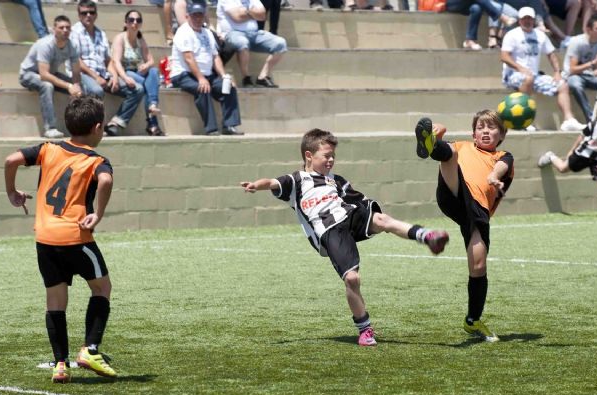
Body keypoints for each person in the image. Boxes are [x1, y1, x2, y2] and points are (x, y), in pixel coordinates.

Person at [240, 128, 450, 346]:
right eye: (326, 156)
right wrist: (256, 185)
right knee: (352, 279)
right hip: (330, 231)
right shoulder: (296, 180)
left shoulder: (336, 180)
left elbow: (357, 199)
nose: (331, 160)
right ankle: (365, 329)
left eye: (333, 156)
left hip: (349, 215)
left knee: (382, 220)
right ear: (309, 156)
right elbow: (271, 182)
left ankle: (428, 236)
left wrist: (368, 210)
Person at [3, 96, 116, 383]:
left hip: (45, 238)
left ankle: (60, 364)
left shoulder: (48, 149)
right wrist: (98, 214)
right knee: (102, 287)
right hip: (76, 236)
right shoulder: (96, 160)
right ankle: (90, 349)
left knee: (55, 300)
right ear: (98, 127)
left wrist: (12, 192)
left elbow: (11, 160)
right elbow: (105, 181)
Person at [414, 111, 514, 342]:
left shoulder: (503, 155)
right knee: (450, 153)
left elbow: (501, 167)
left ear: (501, 135)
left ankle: (473, 320)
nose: (485, 131)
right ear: (473, 134)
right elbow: (451, 153)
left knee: (478, 266)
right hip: (453, 193)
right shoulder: (463, 146)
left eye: (491, 127)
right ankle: (432, 144)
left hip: (476, 213)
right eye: (480, 127)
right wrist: (438, 135)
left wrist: (493, 176)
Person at [501, 6, 586, 132]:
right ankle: (525, 120)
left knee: (562, 84)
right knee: (528, 79)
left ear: (534, 20)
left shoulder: (540, 35)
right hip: (513, 74)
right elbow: (504, 56)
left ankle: (569, 120)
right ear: (519, 20)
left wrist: (557, 72)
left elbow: (551, 54)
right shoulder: (512, 35)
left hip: (534, 76)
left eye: (530, 18)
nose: (527, 21)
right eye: (524, 18)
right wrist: (520, 68)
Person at [71, 0, 144, 137]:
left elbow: (108, 60)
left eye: (91, 12)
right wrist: (96, 77)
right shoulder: (75, 32)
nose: (88, 15)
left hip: (103, 74)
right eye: (84, 13)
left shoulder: (101, 33)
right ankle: (94, 129)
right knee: (96, 90)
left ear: (96, 14)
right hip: (83, 74)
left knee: (137, 89)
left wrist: (115, 76)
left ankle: (116, 123)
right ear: (79, 15)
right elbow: (77, 61)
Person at [170, 2, 244, 135]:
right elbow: (188, 58)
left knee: (228, 87)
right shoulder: (183, 32)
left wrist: (223, 76)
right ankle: (211, 129)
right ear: (187, 16)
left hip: (207, 74)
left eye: (200, 15)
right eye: (194, 16)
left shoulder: (207, 33)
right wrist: (200, 78)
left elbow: (215, 57)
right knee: (202, 89)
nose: (198, 19)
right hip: (183, 75)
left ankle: (229, 125)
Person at [538, 98, 597, 217]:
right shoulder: (594, 125)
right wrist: (572, 150)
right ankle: (551, 156)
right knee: (562, 169)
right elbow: (581, 136)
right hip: (582, 154)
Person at [19, 15, 83, 139]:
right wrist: (69, 86)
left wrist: (76, 86)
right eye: (61, 27)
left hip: (51, 73)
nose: (65, 30)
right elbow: (44, 74)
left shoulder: (72, 45)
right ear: (54, 29)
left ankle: (80, 126)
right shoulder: (45, 44)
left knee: (81, 90)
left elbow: (76, 71)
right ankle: (50, 128)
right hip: (28, 74)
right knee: (47, 86)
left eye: (67, 28)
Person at [112, 9, 164, 136]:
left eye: (138, 20)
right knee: (148, 84)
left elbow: (151, 60)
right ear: (126, 22)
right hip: (125, 72)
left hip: (138, 73)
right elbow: (116, 62)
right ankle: (152, 122)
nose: (134, 23)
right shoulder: (120, 38)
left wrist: (146, 65)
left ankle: (152, 104)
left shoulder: (140, 39)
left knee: (153, 71)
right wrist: (125, 77)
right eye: (131, 20)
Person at [217, 0, 288, 88]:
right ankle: (246, 78)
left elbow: (263, 16)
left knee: (281, 43)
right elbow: (237, 17)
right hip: (233, 33)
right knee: (242, 42)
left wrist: (245, 12)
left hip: (254, 33)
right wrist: (253, 12)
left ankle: (262, 77)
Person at [563, 13, 597, 122]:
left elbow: (595, 74)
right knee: (576, 84)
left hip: (590, 77)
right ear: (589, 30)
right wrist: (594, 62)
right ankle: (591, 118)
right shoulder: (577, 42)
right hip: (572, 76)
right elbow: (572, 69)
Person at [446, 0, 517, 50]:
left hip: (468, 3)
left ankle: (470, 40)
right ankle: (502, 17)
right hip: (451, 3)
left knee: (476, 8)